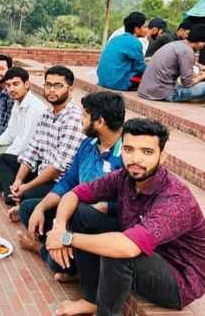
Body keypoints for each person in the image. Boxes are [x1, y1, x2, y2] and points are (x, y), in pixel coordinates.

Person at [45, 118, 205, 316]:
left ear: (162, 156)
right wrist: (59, 227)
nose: (135, 159)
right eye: (129, 149)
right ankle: (91, 298)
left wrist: (66, 238)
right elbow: (74, 194)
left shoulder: (175, 199)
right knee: (82, 214)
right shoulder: (124, 176)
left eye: (147, 152)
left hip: (178, 279)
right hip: (143, 248)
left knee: (119, 253)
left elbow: (127, 247)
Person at [18, 92, 125, 282]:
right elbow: (68, 180)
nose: (80, 120)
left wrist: (104, 207)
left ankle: (45, 250)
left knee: (80, 216)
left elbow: (131, 205)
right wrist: (42, 207)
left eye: (84, 115)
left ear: (99, 121)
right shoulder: (88, 144)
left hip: (101, 224)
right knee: (30, 208)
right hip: (72, 209)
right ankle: (58, 248)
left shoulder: (126, 154)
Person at [0, 66, 85, 216]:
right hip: (41, 171)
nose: (51, 90)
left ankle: (17, 198)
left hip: (59, 182)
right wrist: (19, 180)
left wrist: (27, 186)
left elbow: (58, 167)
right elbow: (32, 150)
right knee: (3, 160)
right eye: (48, 85)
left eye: (58, 86)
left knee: (26, 194)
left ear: (71, 89)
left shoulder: (73, 118)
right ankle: (15, 196)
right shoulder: (47, 113)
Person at [0, 67, 47, 191]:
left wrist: (2, 162)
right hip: (15, 149)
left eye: (16, 84)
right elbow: (10, 132)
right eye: (8, 85)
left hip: (28, 159)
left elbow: (24, 144)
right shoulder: (17, 103)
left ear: (27, 84)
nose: (11, 89)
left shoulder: (35, 108)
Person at [138, 24, 205, 102]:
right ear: (200, 43)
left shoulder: (177, 44)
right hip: (161, 94)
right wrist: (203, 76)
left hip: (145, 90)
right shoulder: (187, 51)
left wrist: (199, 66)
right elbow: (187, 83)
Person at [97, 12, 150, 91]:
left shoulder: (115, 39)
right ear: (136, 29)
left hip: (102, 81)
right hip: (117, 84)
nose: (147, 30)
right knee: (150, 77)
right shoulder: (135, 42)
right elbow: (141, 68)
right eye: (144, 27)